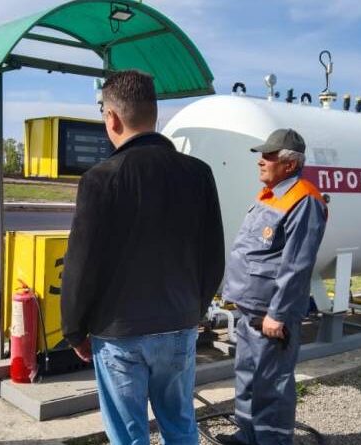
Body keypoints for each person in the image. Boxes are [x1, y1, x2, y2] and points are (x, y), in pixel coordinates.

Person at [60, 70, 225, 445]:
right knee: (180, 423)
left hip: (120, 333)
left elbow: (81, 265)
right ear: (153, 114)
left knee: (129, 434)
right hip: (178, 324)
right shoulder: (199, 174)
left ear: (112, 118)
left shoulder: (101, 179)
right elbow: (213, 255)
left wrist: (74, 329)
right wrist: (191, 311)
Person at [217, 128, 328, 445]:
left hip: (270, 315)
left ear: (290, 164)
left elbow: (297, 264)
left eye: (269, 156)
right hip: (250, 310)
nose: (261, 162)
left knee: (272, 383)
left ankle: (274, 441)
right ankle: (247, 435)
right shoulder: (271, 195)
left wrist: (278, 314)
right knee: (249, 376)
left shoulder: (304, 200)